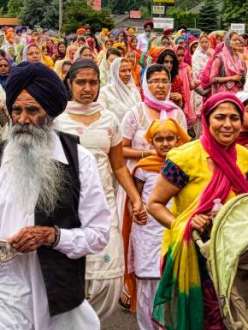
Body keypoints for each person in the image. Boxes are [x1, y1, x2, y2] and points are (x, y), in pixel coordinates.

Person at [0, 61, 112, 329]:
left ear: (49, 113)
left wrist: (53, 236)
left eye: (32, 110)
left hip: (58, 299)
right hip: (7, 294)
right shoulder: (1, 156)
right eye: (17, 110)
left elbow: (99, 234)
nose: (23, 120)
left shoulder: (78, 161)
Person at [55, 59, 146, 321]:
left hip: (103, 203)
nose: (87, 88)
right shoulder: (57, 121)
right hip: (69, 207)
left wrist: (135, 197)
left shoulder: (109, 120)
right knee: (73, 270)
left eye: (93, 82)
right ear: (69, 84)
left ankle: (94, 323)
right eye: (80, 82)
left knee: (108, 275)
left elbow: (118, 167)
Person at [147, 92, 248, 330]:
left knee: (235, 317)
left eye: (234, 118)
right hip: (192, 256)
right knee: (200, 321)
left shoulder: (244, 158)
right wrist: (184, 222)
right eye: (220, 117)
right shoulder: (184, 158)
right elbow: (154, 204)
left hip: (233, 258)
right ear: (206, 119)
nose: (227, 124)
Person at [123, 119, 190, 330]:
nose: (165, 143)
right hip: (146, 232)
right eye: (158, 139)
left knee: (172, 278)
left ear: (178, 140)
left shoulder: (185, 165)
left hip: (174, 228)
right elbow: (134, 199)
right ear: (151, 143)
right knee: (147, 282)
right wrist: (135, 211)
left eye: (170, 138)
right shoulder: (144, 167)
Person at [121, 64, 187, 171]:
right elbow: (121, 149)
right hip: (138, 177)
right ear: (146, 85)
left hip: (170, 178)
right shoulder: (136, 113)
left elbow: (185, 147)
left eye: (165, 81)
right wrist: (146, 154)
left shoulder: (177, 113)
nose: (160, 86)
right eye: (155, 81)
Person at [99, 57, 141, 123]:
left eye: (129, 70)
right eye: (123, 71)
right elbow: (102, 117)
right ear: (114, 73)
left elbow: (140, 113)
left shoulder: (134, 91)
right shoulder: (104, 92)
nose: (128, 74)